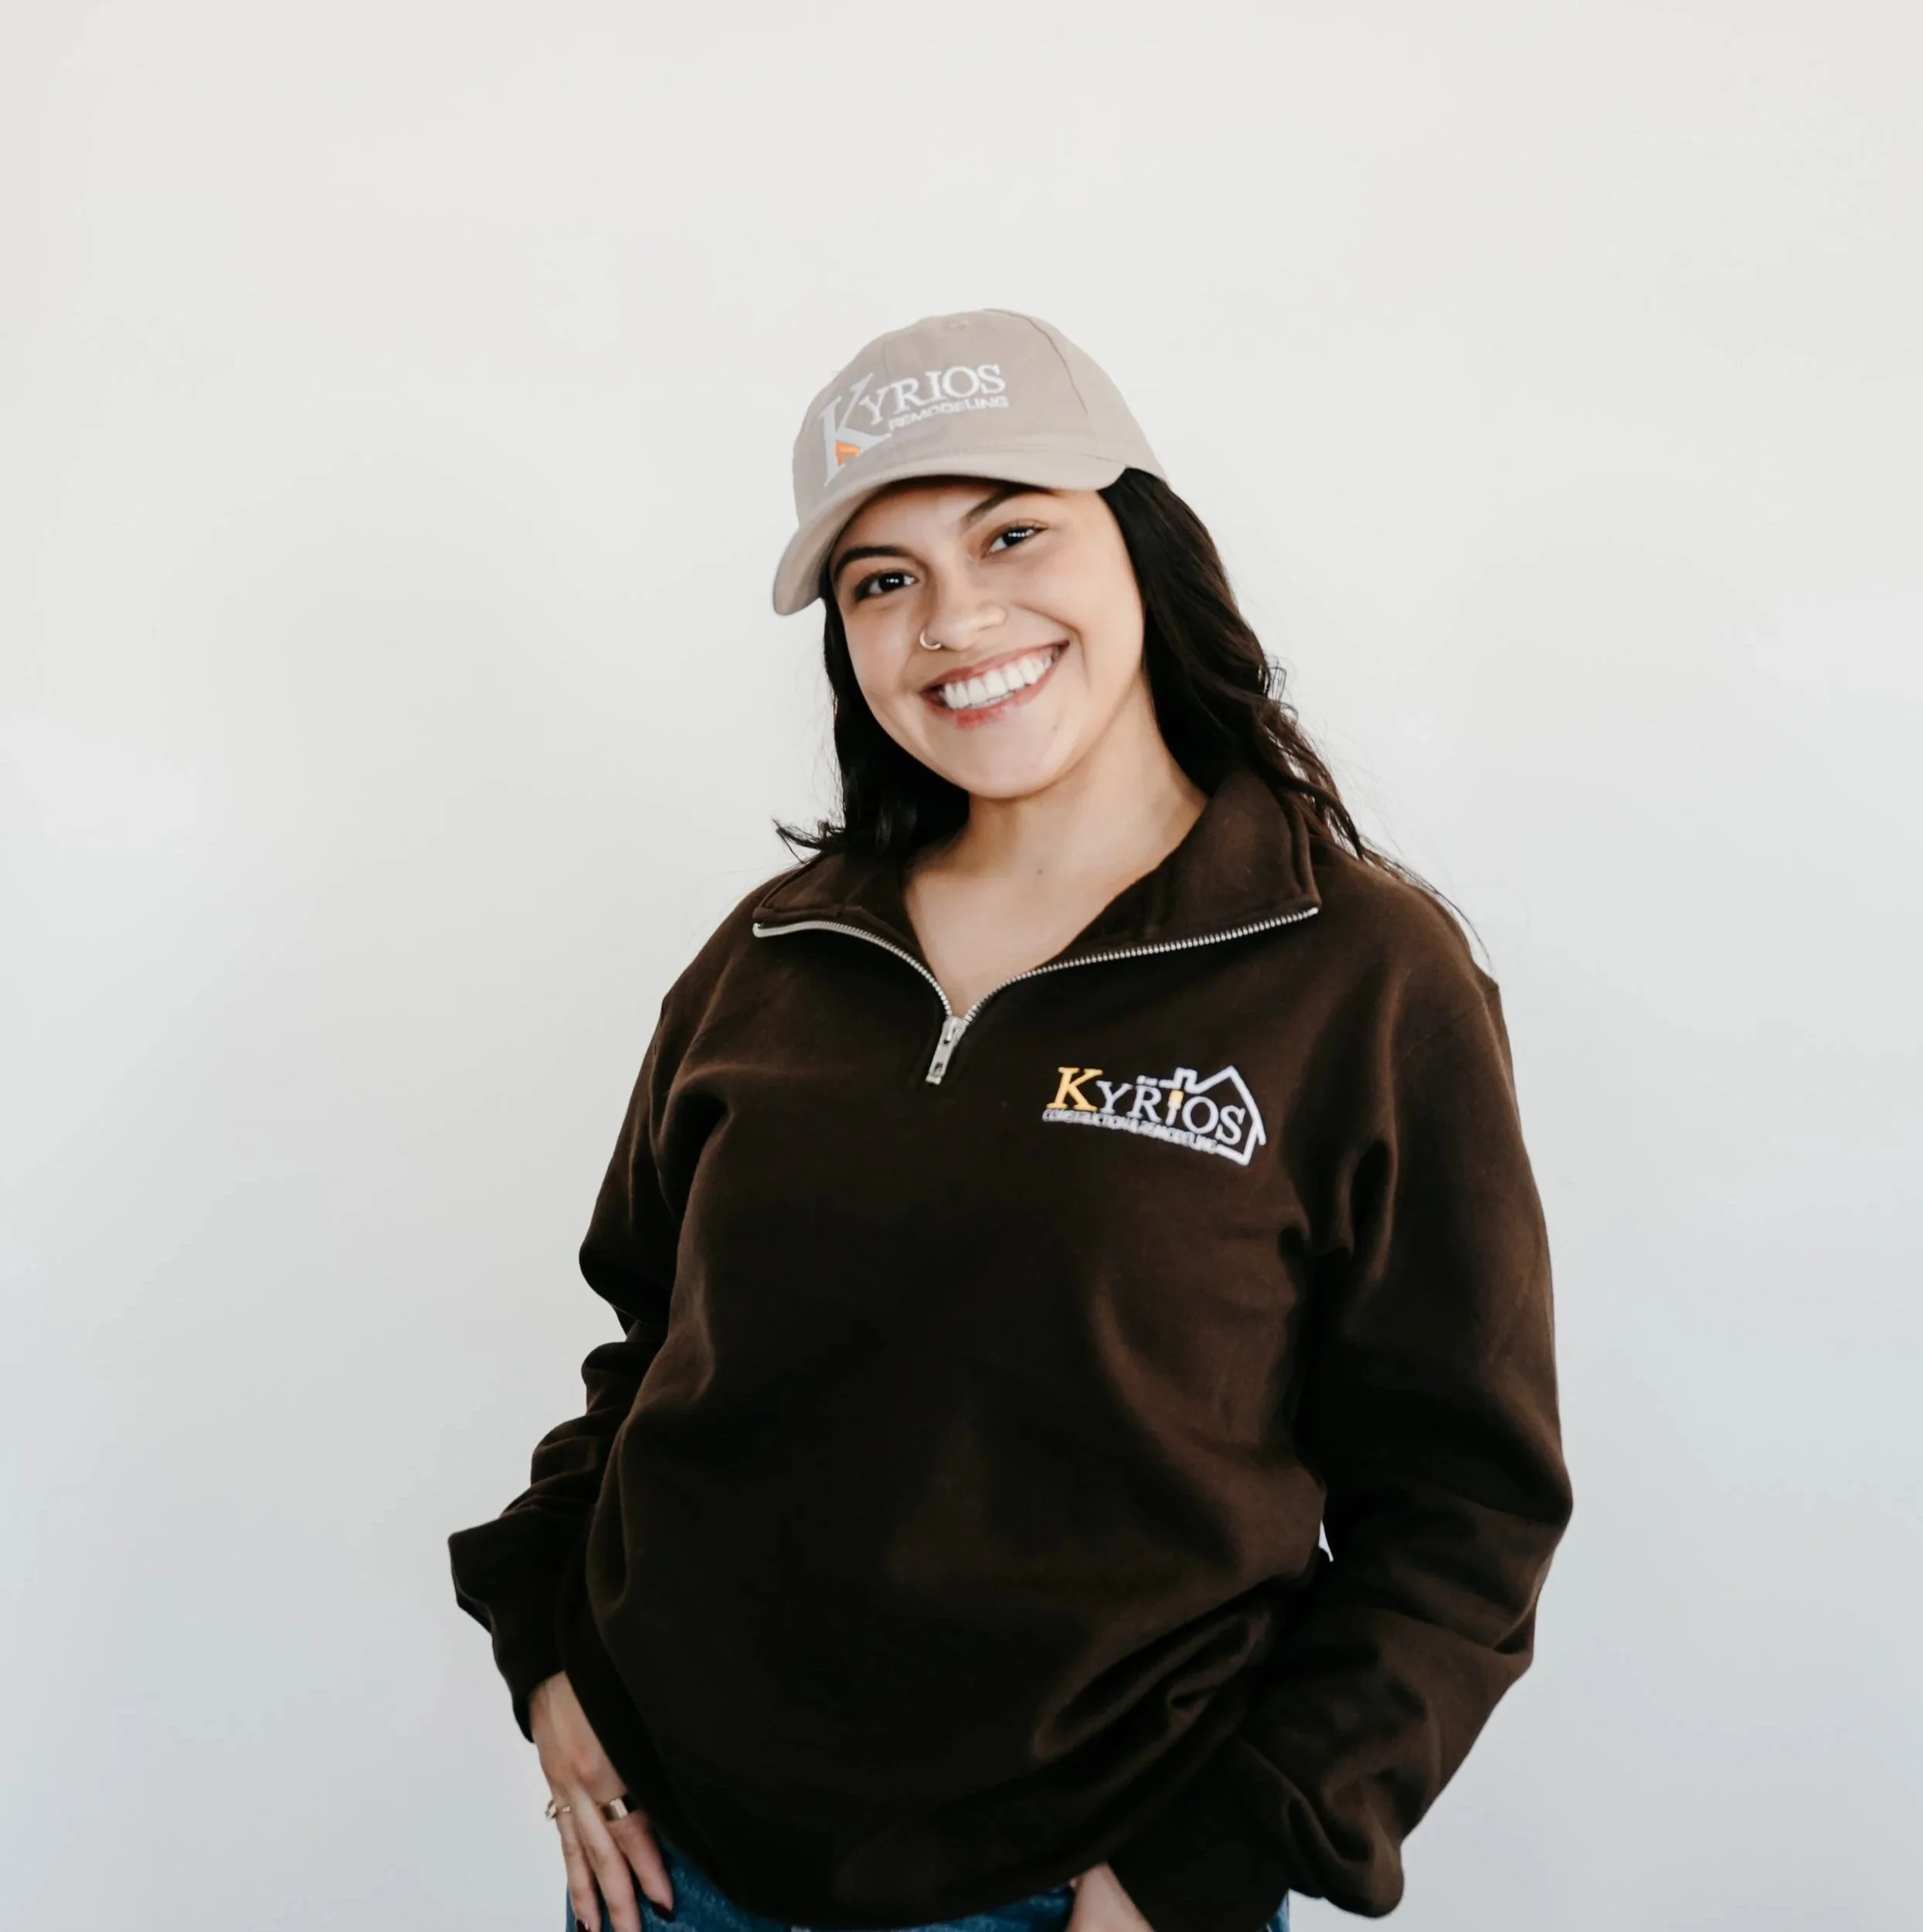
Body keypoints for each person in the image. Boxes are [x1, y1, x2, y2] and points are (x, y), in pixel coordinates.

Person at [447, 308, 1572, 1932]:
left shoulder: (1356, 973)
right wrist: (548, 1642)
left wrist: (1217, 1854)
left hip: (1070, 1892)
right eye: (880, 579)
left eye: (1012, 532)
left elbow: (1463, 1504)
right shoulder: (775, 952)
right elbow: (649, 1349)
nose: (953, 617)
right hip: (674, 1871)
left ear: (1142, 549)